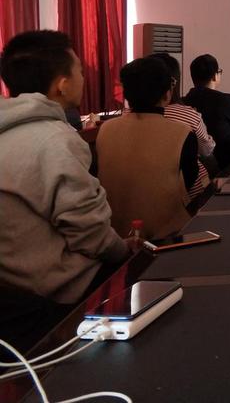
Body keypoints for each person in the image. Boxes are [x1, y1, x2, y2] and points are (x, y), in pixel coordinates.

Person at [0, 31, 133, 305]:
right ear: (62, 85)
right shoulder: (57, 140)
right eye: (80, 71)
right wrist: (125, 251)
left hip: (12, 287)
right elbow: (92, 234)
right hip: (56, 291)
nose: (84, 78)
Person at [97, 57, 198, 240]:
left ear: (126, 95)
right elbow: (189, 182)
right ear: (167, 94)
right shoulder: (182, 133)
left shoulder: (105, 129)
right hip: (165, 237)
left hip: (113, 235)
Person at [150, 52, 215, 198]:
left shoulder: (118, 122)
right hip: (186, 196)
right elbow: (207, 150)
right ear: (171, 85)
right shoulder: (188, 115)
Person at [183, 54, 230, 169]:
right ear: (215, 76)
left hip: (195, 167)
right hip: (228, 165)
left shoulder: (183, 102)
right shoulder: (225, 100)